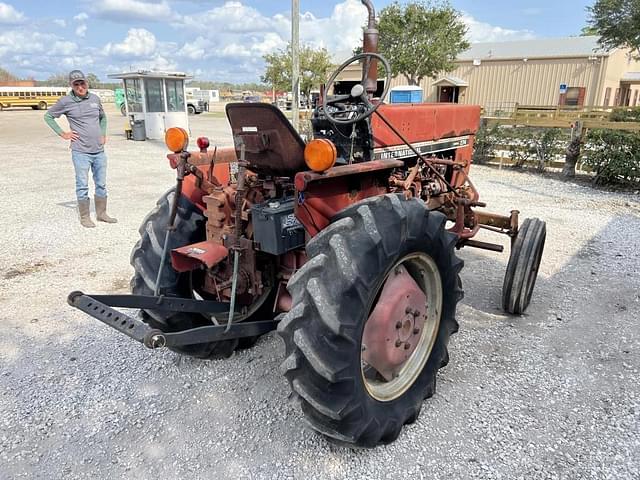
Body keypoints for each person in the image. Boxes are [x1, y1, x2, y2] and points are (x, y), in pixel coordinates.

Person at [44, 70, 117, 227]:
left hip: (99, 151)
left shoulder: (95, 99)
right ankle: (85, 217)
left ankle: (102, 213)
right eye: (76, 84)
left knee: (101, 184)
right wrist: (63, 133)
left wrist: (103, 133)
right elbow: (48, 116)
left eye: (82, 83)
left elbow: (103, 118)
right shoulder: (65, 102)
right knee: (82, 185)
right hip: (80, 152)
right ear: (71, 85)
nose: (80, 87)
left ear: (87, 83)